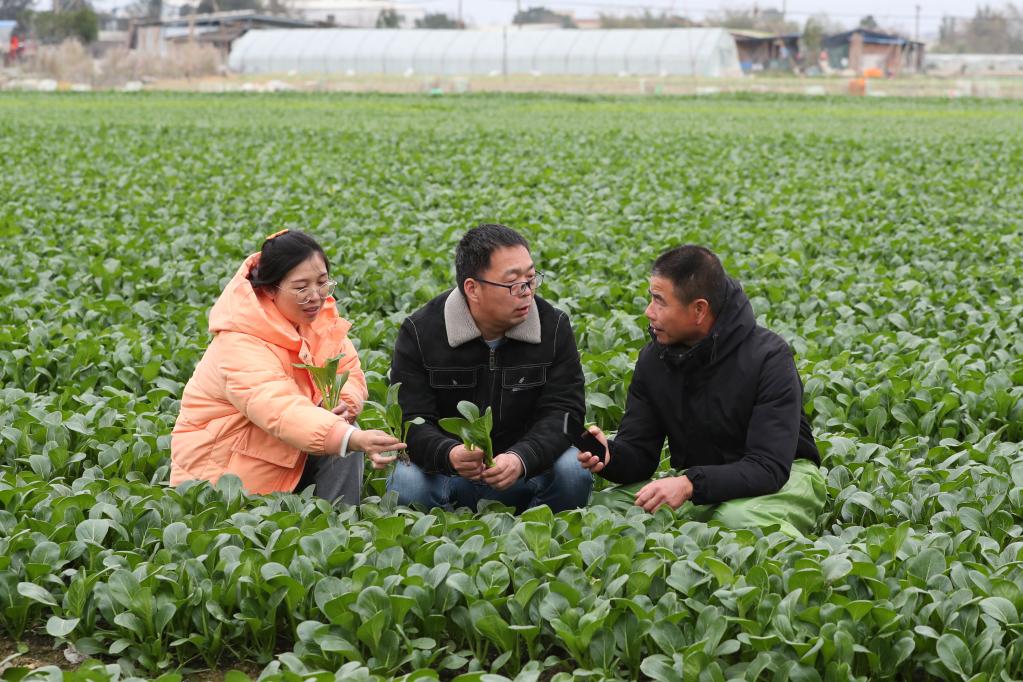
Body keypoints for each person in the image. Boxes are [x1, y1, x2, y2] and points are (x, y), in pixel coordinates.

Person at [578, 245, 825, 537]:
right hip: (700, 481)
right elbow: (640, 454)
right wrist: (610, 456)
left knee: (735, 521)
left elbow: (768, 467)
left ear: (699, 309)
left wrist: (690, 484)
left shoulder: (769, 357)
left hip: (785, 476)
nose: (648, 311)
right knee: (604, 508)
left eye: (659, 301)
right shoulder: (654, 359)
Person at [171, 230, 404, 501]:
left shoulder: (319, 322)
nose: (316, 296)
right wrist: (346, 436)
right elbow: (279, 408)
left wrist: (341, 406)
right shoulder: (239, 342)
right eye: (301, 287)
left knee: (343, 437)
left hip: (280, 454)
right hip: (223, 478)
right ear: (270, 289)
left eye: (323, 283)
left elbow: (347, 371)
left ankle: (341, 530)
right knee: (344, 439)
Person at [386, 223, 592, 513]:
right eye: (513, 284)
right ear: (472, 288)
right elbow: (411, 419)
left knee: (574, 468)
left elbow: (564, 411)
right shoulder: (421, 331)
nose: (526, 292)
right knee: (406, 480)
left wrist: (521, 459)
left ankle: (537, 530)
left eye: (531, 279)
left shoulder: (553, 326)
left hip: (522, 474)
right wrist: (451, 454)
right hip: (449, 475)